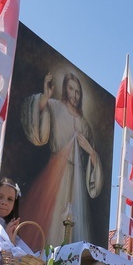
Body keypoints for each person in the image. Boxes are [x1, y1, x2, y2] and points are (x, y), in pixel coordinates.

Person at [20, 71, 103, 246]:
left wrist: (91, 152)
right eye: (71, 89)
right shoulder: (55, 106)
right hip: (55, 174)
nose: (74, 94)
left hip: (78, 180)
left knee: (76, 228)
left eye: (78, 91)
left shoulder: (85, 126)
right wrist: (45, 96)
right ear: (65, 89)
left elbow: (93, 171)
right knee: (53, 223)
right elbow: (37, 121)